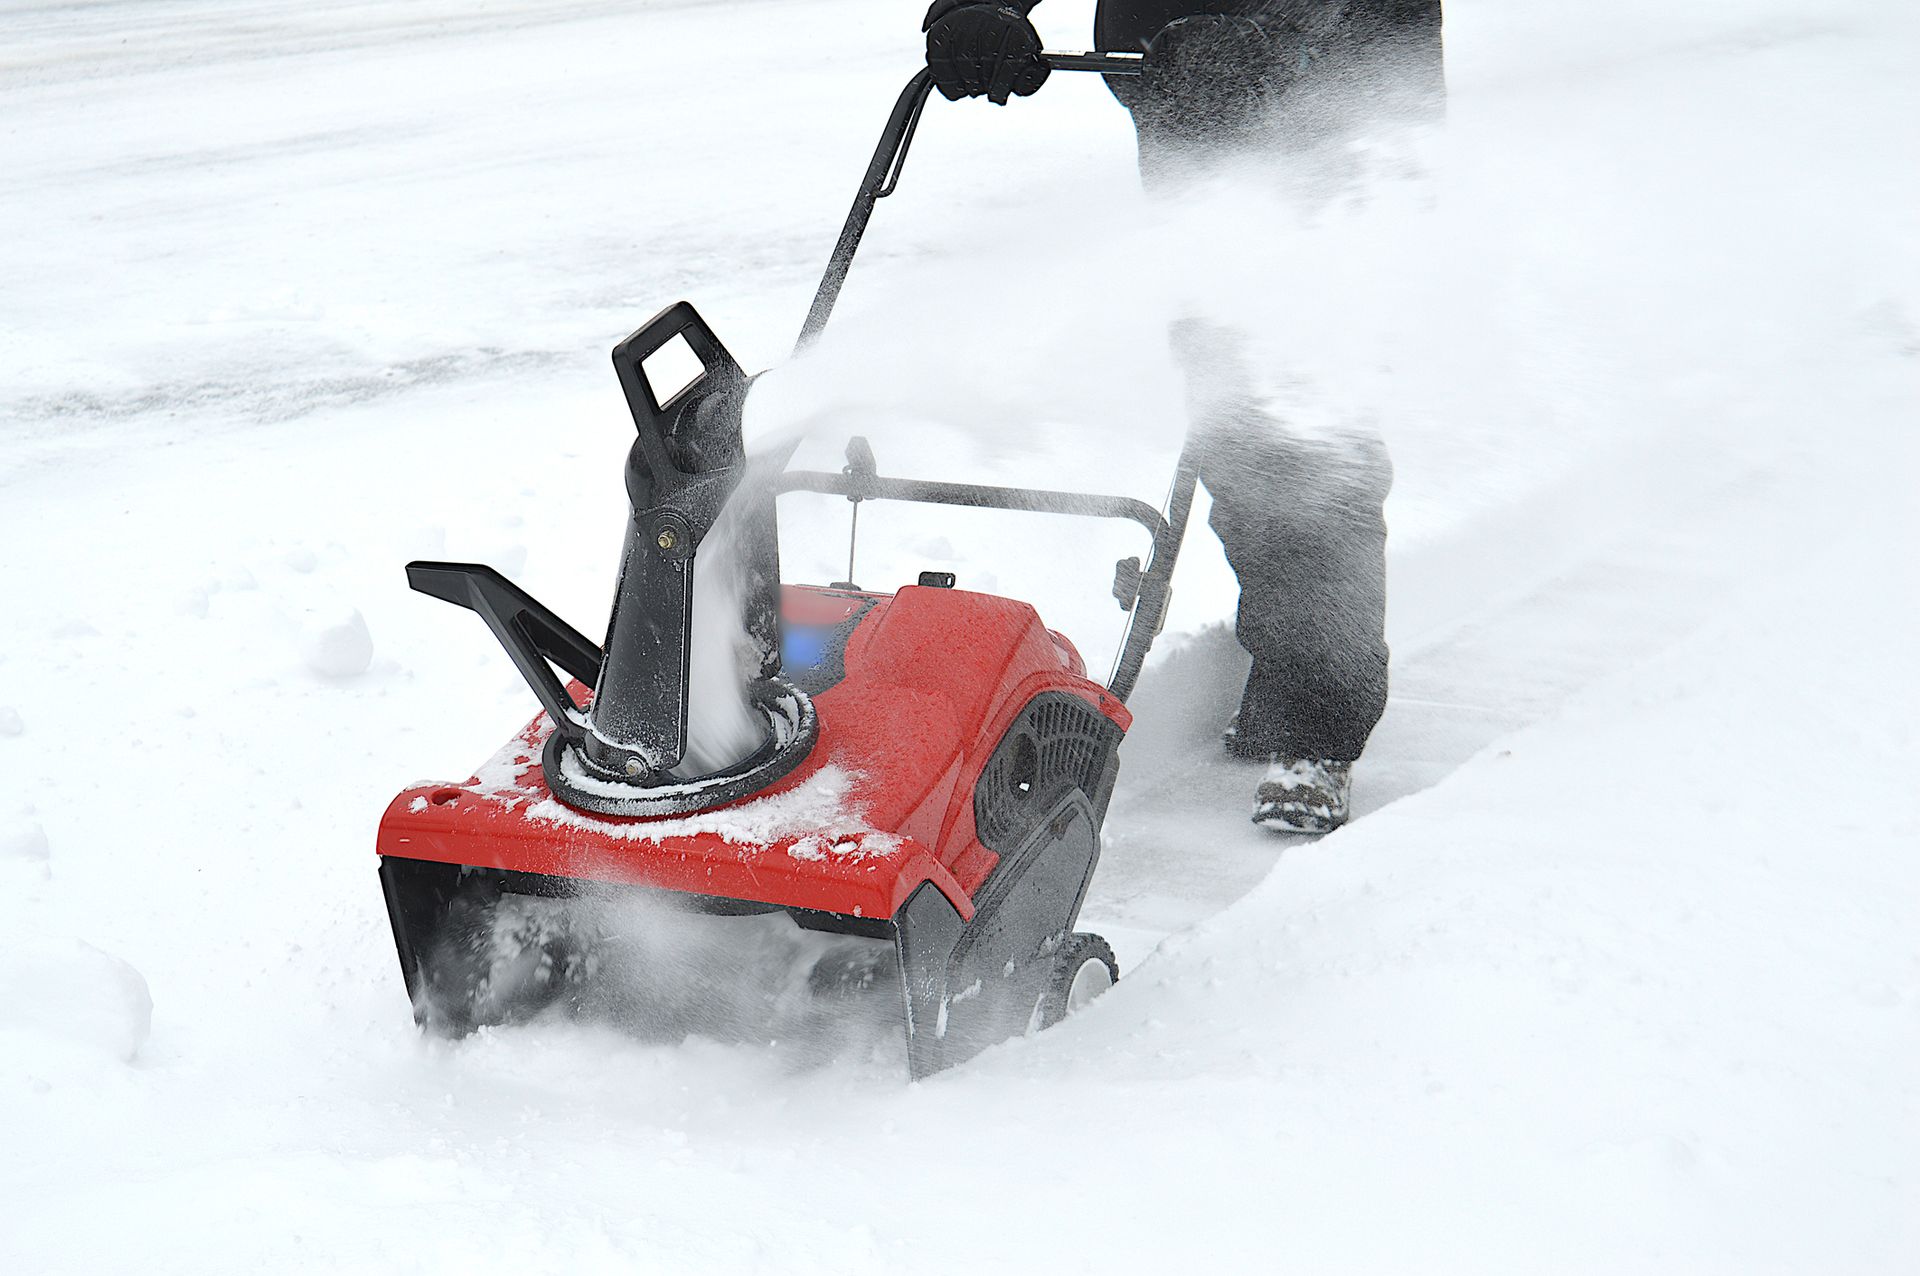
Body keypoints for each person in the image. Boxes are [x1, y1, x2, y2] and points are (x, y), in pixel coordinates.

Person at [920, 0, 1445, 833]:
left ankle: (1317, 720)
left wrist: (1294, 45)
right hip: (1177, 69)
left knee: (1302, 401)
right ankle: (1293, 657)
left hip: (1334, 83)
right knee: (1230, 397)